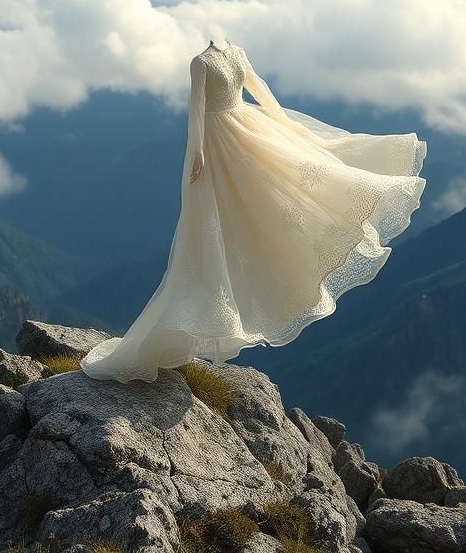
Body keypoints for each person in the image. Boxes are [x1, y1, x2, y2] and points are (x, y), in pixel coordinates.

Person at [79, 38, 427, 382]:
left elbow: (257, 87)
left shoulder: (233, 53)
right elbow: (196, 110)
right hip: (220, 142)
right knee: (221, 226)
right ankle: (197, 320)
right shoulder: (202, 63)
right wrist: (198, 151)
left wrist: (283, 122)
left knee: (281, 193)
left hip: (241, 131)